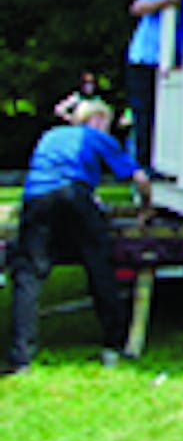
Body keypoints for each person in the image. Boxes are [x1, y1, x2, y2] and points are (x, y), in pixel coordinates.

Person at [4, 100, 152, 375]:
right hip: (75, 196)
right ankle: (114, 342)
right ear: (96, 119)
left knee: (29, 275)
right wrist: (146, 208)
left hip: (37, 197)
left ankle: (20, 356)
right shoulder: (95, 137)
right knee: (99, 265)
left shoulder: (51, 135)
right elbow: (139, 178)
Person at [125, 0, 182, 173]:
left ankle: (161, 163)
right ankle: (141, 165)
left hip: (169, 66)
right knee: (144, 113)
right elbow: (137, 8)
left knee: (164, 114)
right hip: (144, 59)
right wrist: (165, 2)